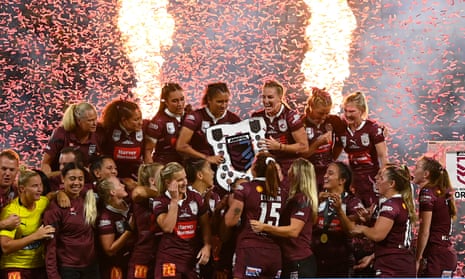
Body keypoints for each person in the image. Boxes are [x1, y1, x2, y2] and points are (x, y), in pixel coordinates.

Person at [249, 158, 318, 278]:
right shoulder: (291, 197)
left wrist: (264, 227)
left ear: (297, 173)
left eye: (291, 168)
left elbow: (293, 231)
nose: (288, 171)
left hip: (299, 261)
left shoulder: (302, 199)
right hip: (288, 260)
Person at [349, 164, 416, 278]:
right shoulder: (399, 202)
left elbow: (377, 235)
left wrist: (363, 229)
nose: (375, 179)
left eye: (381, 177)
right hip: (399, 262)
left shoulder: (391, 204)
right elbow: (393, 237)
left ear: (391, 184)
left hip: (392, 266)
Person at [224, 152, 282, 279]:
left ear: (254, 168)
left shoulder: (246, 188)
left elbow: (230, 221)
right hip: (275, 253)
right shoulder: (282, 191)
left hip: (251, 251)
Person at [251, 80, 308, 202]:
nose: (266, 101)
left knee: (284, 202)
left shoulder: (290, 116)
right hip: (266, 169)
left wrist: (280, 147)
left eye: (270, 97)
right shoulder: (256, 117)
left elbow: (304, 147)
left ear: (280, 98)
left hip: (287, 169)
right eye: (264, 97)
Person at [153, 162, 211, 278]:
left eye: (185, 178)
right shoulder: (160, 201)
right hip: (169, 258)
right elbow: (167, 227)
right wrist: (174, 200)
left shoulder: (195, 197)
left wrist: (207, 246)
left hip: (191, 259)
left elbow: (205, 225)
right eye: (179, 180)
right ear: (168, 182)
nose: (185, 182)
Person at [44, 162, 99, 279]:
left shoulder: (87, 197)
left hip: (91, 267)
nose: (76, 183)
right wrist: (53, 275)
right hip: (67, 269)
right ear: (63, 179)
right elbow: (50, 246)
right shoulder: (54, 208)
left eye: (80, 179)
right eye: (72, 179)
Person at [0, 167, 56, 279]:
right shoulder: (11, 211)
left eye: (40, 185)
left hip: (39, 266)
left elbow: (51, 195)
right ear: (21, 189)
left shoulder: (43, 202)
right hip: (15, 266)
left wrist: (60, 194)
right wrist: (35, 236)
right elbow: (5, 247)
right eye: (35, 186)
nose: (40, 189)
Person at [312, 161, 364, 277]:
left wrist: (340, 211)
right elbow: (308, 225)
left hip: (341, 261)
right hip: (316, 258)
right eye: (326, 173)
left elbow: (351, 231)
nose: (325, 176)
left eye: (330, 173)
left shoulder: (352, 201)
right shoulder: (317, 198)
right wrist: (316, 204)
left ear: (342, 180)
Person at [338, 91, 388, 207]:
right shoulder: (341, 127)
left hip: (371, 179)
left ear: (361, 111)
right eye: (345, 110)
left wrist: (383, 178)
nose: (348, 114)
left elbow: (383, 156)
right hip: (353, 179)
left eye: (352, 111)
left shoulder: (372, 128)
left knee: (372, 211)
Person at [176, 82, 241, 166]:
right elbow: (181, 146)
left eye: (226, 101)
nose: (223, 105)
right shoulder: (195, 117)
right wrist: (207, 158)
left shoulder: (233, 120)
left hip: (225, 167)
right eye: (219, 102)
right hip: (199, 167)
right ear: (209, 100)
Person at [413, 156, 457, 277]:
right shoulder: (440, 191)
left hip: (435, 257)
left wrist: (417, 259)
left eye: (416, 168)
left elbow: (424, 231)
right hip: (446, 255)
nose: (413, 171)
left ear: (425, 174)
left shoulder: (427, 192)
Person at [41, 102, 103, 176]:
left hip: (85, 180)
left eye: (95, 119)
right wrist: (50, 177)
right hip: (60, 178)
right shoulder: (61, 133)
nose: (94, 123)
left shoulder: (99, 132)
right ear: (79, 121)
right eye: (90, 120)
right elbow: (45, 163)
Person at [302, 87, 345, 191]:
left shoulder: (334, 121)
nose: (324, 117)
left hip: (327, 173)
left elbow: (341, 143)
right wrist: (318, 143)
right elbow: (300, 155)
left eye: (327, 113)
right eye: (321, 113)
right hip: (307, 173)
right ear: (311, 107)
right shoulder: (300, 124)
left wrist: (332, 159)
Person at [185, 158, 221, 279]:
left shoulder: (215, 197)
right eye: (209, 169)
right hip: (186, 255)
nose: (213, 173)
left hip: (206, 255)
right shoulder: (184, 197)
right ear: (200, 175)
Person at [127, 163, 164, 279]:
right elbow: (138, 191)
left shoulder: (169, 199)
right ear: (152, 180)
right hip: (144, 254)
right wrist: (163, 194)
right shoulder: (143, 196)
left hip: (163, 254)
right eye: (163, 175)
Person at [96, 176, 135, 279]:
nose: (123, 185)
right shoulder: (105, 217)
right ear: (112, 192)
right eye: (119, 184)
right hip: (116, 267)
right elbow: (109, 250)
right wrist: (129, 229)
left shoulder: (131, 203)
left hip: (134, 260)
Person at [101, 99, 148, 180]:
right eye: (136, 120)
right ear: (124, 120)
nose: (141, 122)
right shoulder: (107, 130)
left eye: (141, 118)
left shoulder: (146, 128)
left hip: (137, 175)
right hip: (113, 176)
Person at [145, 83, 186, 165]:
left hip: (186, 166)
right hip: (165, 168)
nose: (180, 104)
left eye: (182, 99)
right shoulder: (158, 122)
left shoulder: (190, 116)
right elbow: (147, 151)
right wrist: (153, 173)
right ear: (166, 102)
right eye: (175, 101)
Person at [0, 149, 21, 230]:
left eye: (12, 170)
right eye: (4, 169)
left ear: (17, 171)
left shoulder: (18, 190)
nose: (8, 173)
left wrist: (58, 194)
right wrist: (4, 224)